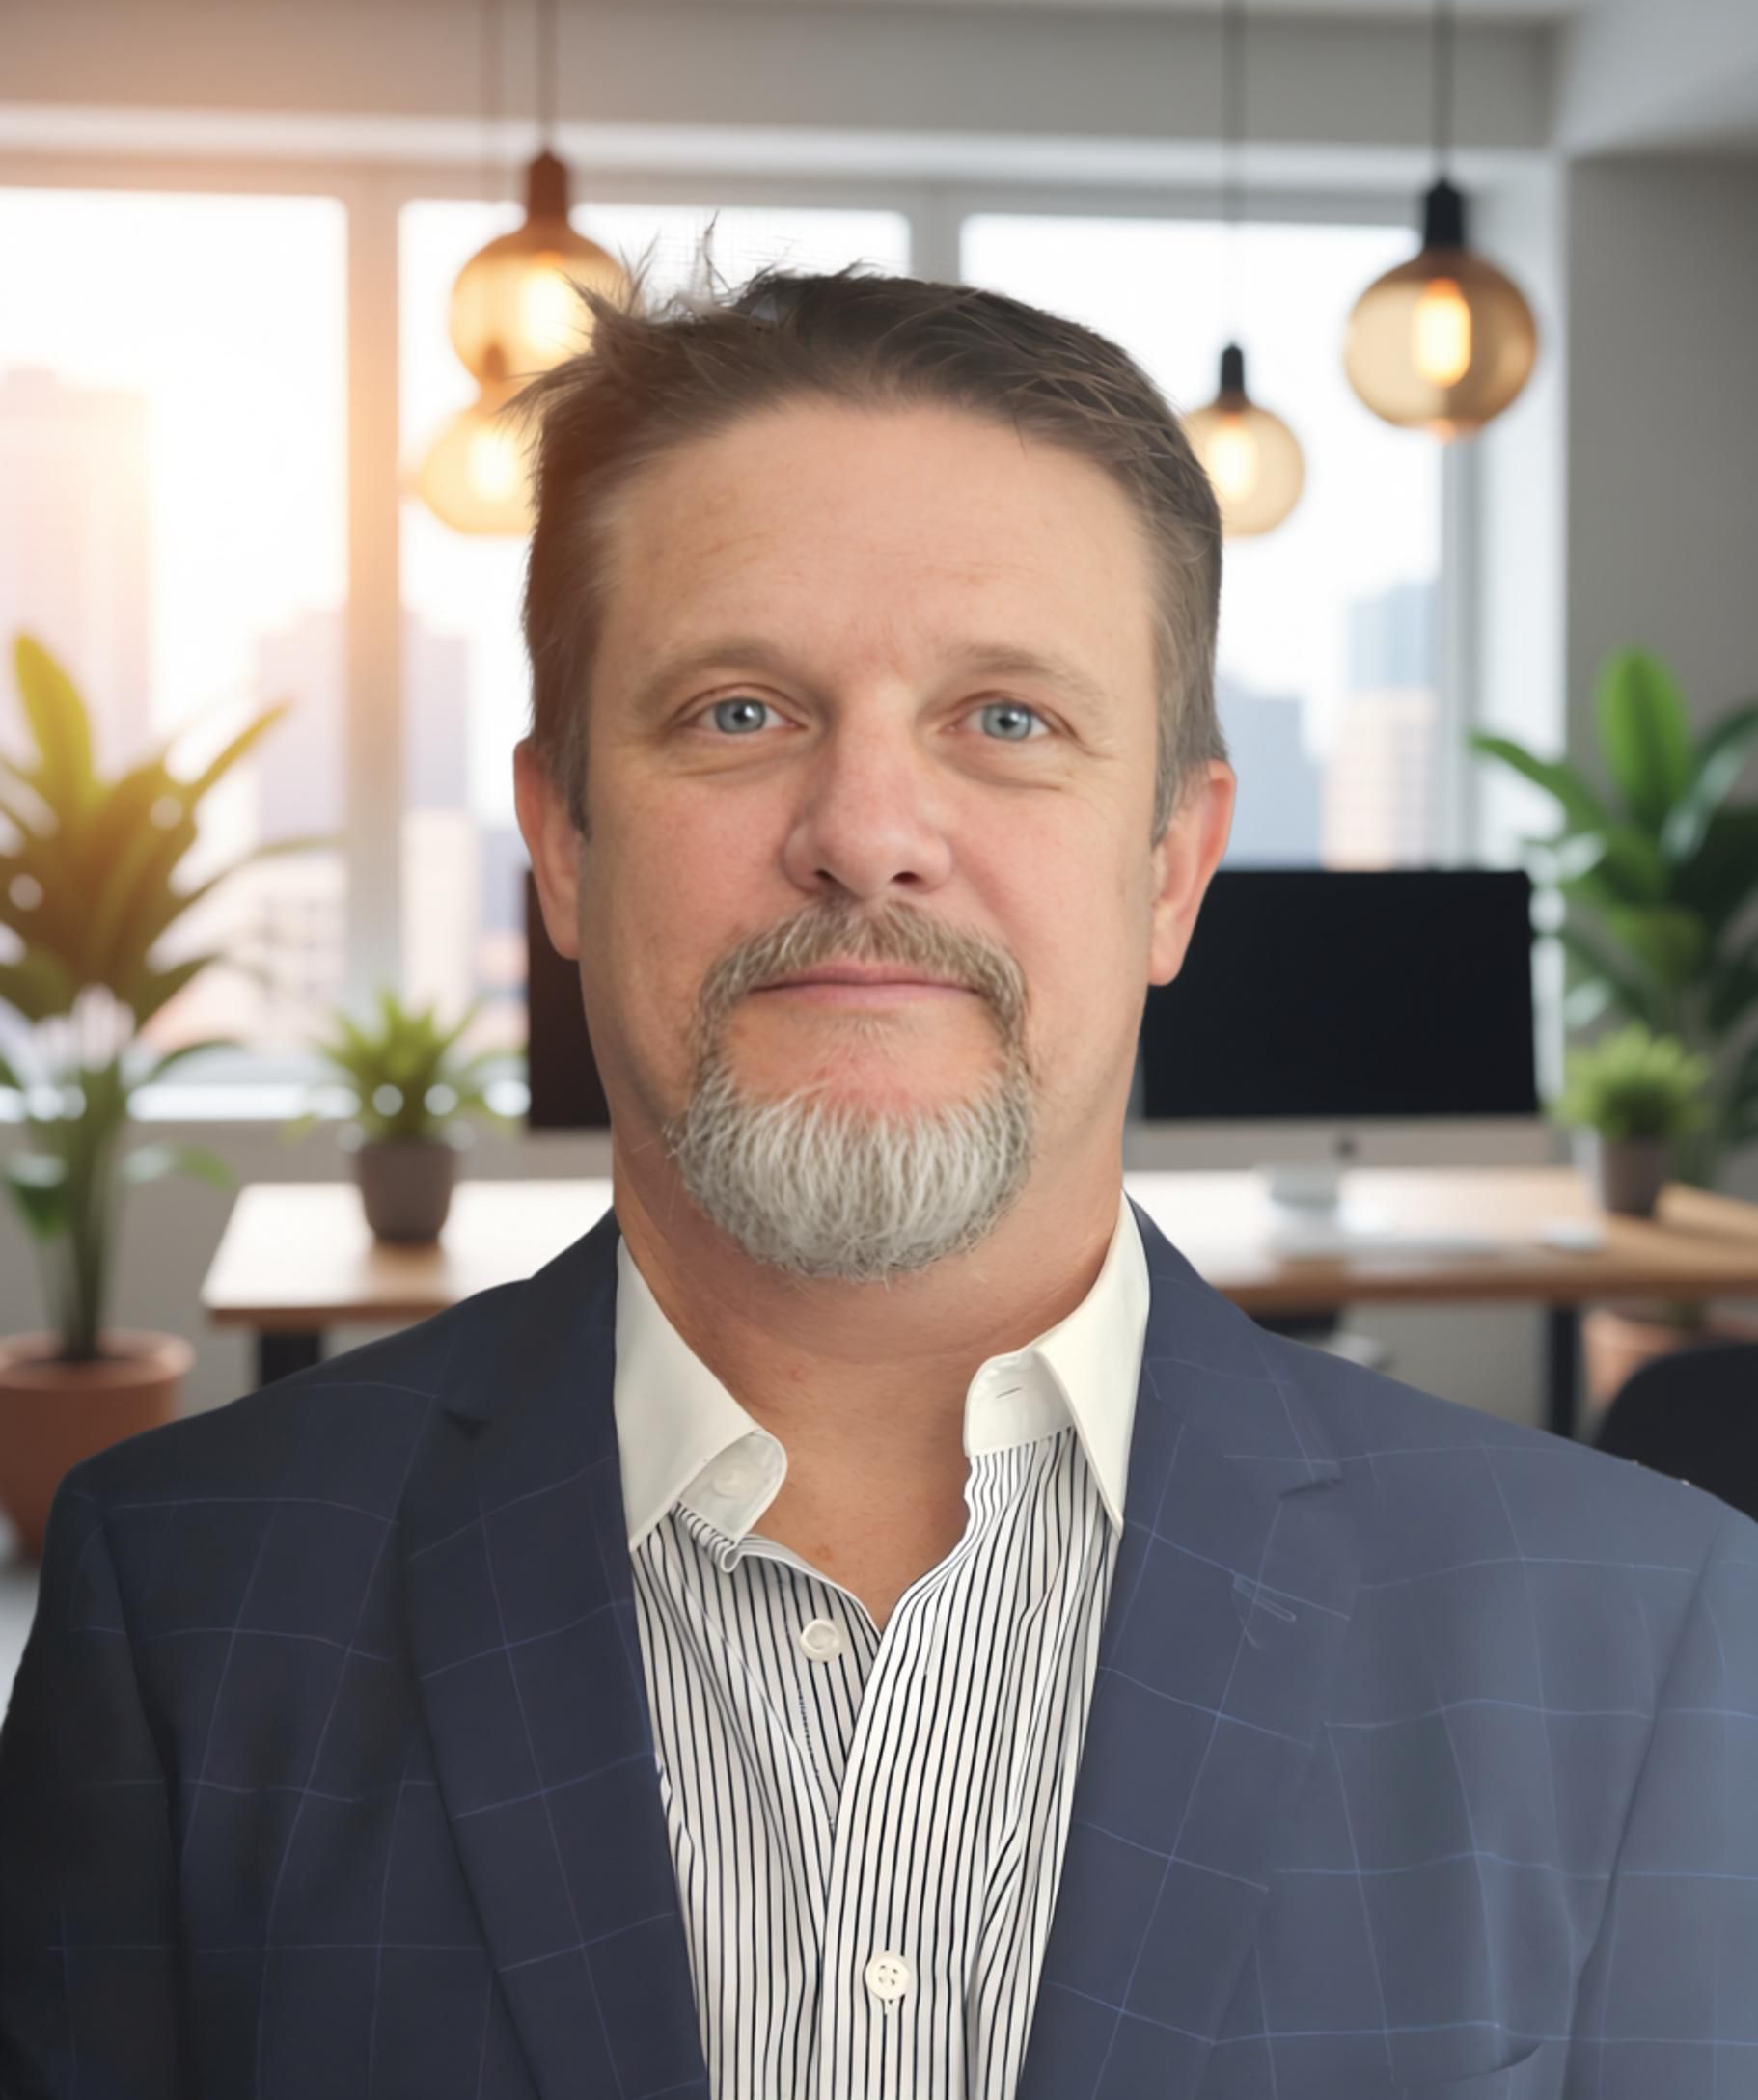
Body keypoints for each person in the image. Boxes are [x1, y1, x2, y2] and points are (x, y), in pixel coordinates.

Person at [2, 253, 1753, 2100]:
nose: (864, 838)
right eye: (738, 711)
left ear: (1170, 867)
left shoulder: (1632, 1634)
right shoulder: (186, 1609)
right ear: (562, 845)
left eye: (1006, 719)